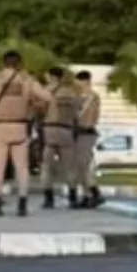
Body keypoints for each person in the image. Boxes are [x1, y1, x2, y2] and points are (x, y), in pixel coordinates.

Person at [0, 50, 53, 216]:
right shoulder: (27, 80)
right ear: (19, 64)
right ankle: (22, 203)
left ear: (4, 63)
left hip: (0, 127)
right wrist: (33, 105)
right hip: (20, 127)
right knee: (22, 168)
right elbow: (48, 97)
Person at [39, 66, 80, 209]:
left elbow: (39, 109)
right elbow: (76, 112)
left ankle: (48, 199)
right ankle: (73, 198)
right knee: (69, 167)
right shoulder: (71, 93)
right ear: (62, 77)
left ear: (50, 76)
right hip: (66, 130)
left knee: (47, 166)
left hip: (50, 128)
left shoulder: (45, 91)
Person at [72, 70, 103, 209]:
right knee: (79, 167)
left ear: (85, 81)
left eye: (78, 82)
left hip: (86, 132)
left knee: (84, 165)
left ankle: (95, 193)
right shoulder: (80, 96)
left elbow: (87, 116)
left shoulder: (91, 97)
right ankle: (86, 195)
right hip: (79, 133)